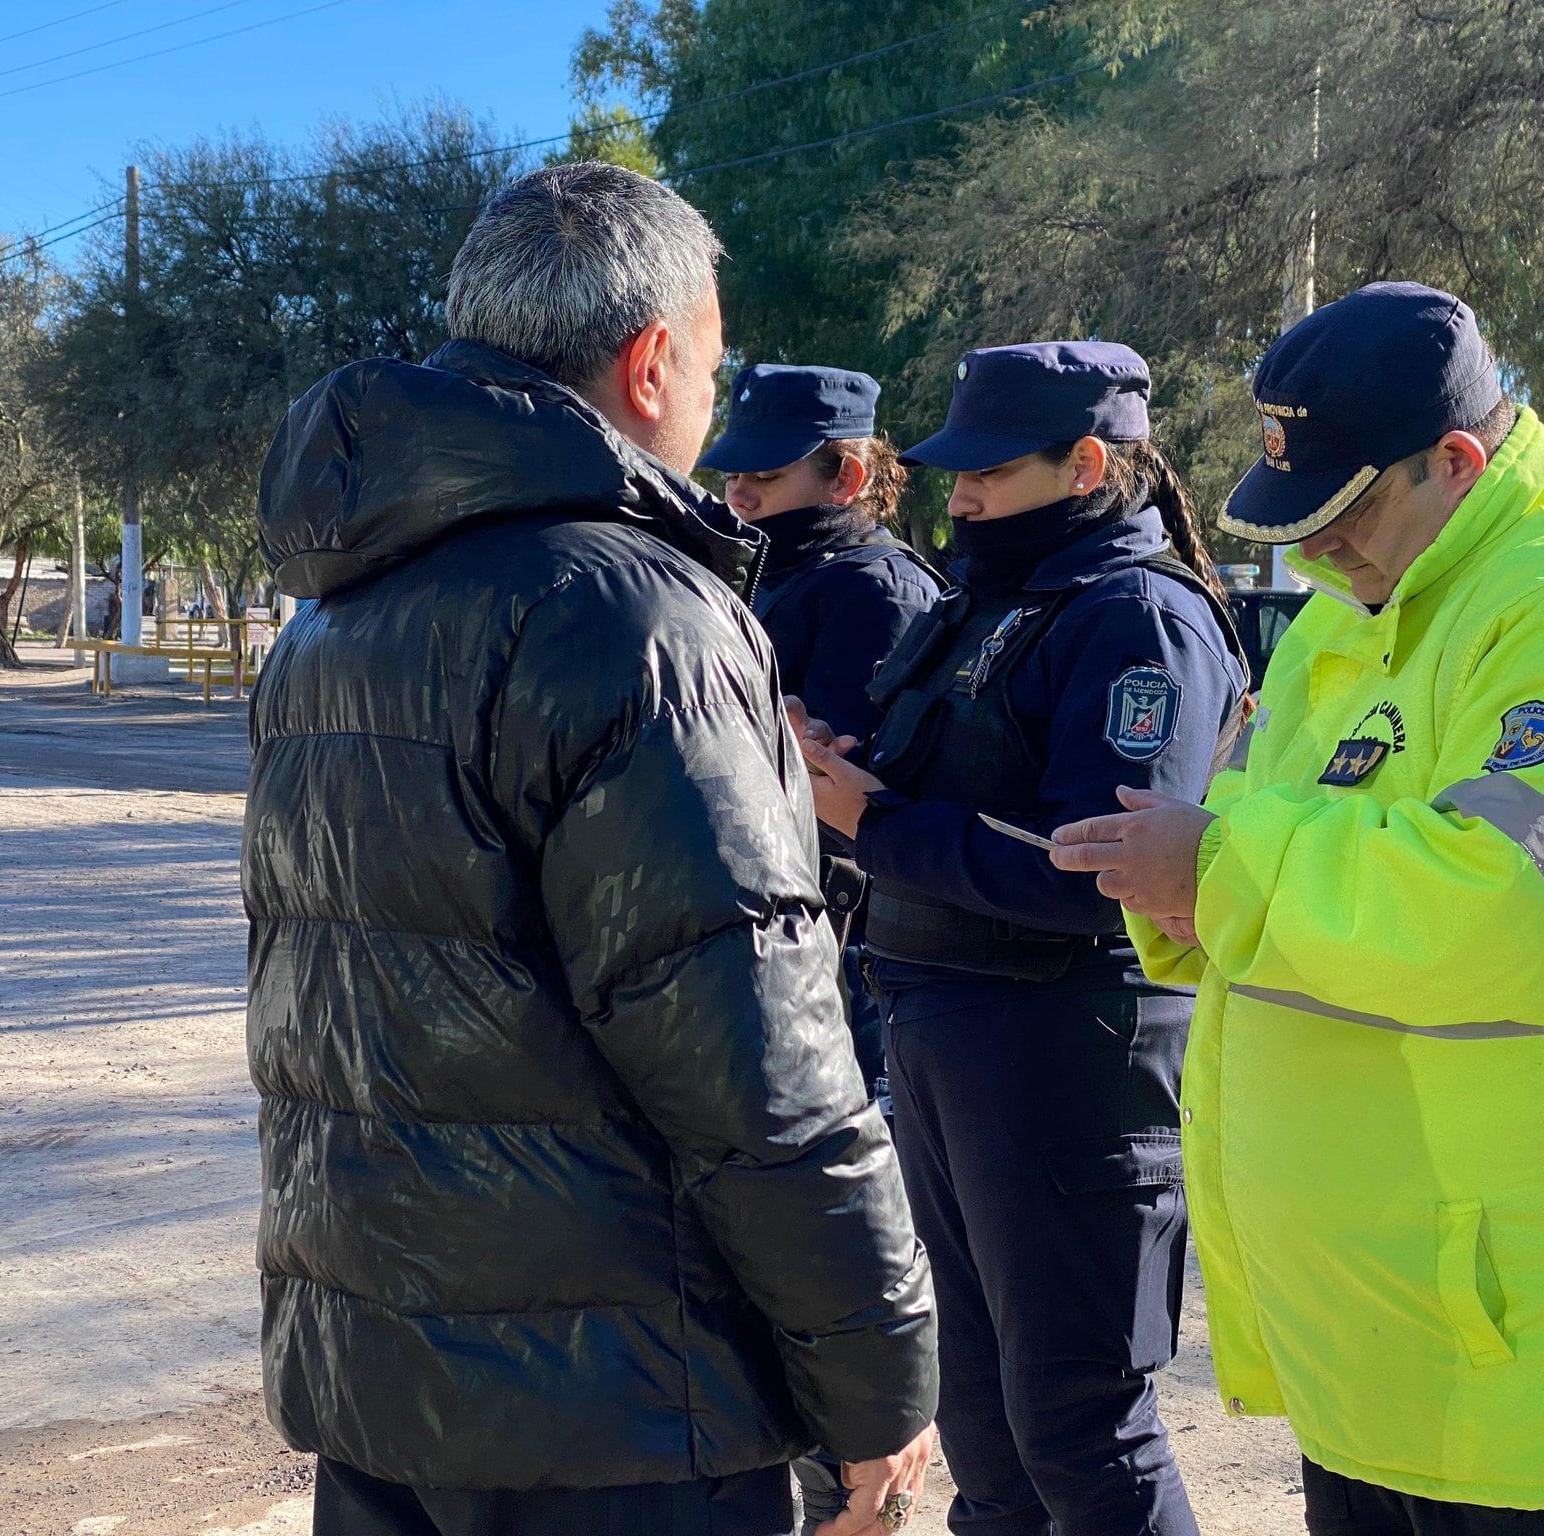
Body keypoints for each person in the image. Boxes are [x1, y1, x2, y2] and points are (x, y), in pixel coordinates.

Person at [243, 162, 937, 1536]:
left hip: (380, 1379)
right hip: (618, 1413)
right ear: (651, 359)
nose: (711, 408)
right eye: (715, 369)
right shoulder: (636, 616)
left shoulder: (334, 618)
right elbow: (757, 1061)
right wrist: (879, 1381)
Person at [1049, 282, 1544, 1535]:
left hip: (1534, 1369)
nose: (1314, 551)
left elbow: (1516, 914)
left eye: (1344, 512)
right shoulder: (1353, 615)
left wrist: (1215, 872)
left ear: (1457, 463)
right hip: (1389, 1359)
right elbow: (1251, 839)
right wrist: (1182, 882)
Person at [795, 341, 1249, 1536]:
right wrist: (838, 770)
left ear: (1086, 464)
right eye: (957, 475)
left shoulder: (1137, 618)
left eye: (990, 474)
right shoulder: (996, 601)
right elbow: (952, 779)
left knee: (1077, 1421)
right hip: (946, 1025)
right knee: (981, 1418)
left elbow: (1100, 872)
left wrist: (875, 822)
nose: (961, 500)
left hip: (1067, 1048)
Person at [700, 364, 943, 1094]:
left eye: (767, 476)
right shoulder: (769, 570)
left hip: (835, 946)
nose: (740, 494)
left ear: (848, 478)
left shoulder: (875, 590)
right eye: (733, 473)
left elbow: (845, 796)